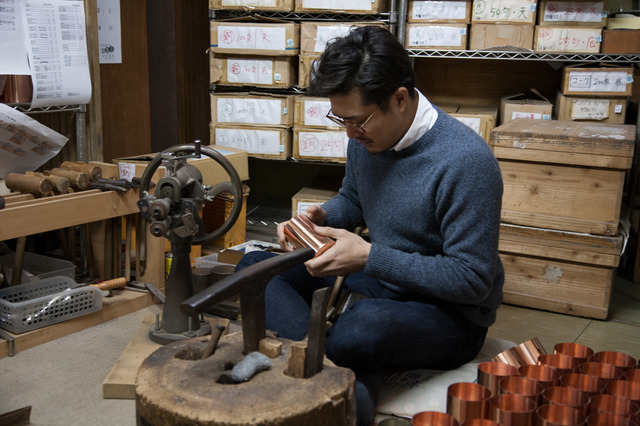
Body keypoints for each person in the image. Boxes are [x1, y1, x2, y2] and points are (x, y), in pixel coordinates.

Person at [235, 26, 504, 426]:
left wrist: (370, 257)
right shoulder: (366, 138)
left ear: (399, 98)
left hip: (449, 312)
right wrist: (323, 217)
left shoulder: (466, 162)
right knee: (253, 269)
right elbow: (355, 201)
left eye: (358, 121)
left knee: (361, 328)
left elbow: (472, 280)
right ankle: (340, 376)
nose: (349, 133)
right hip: (379, 286)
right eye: (341, 120)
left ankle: (332, 370)